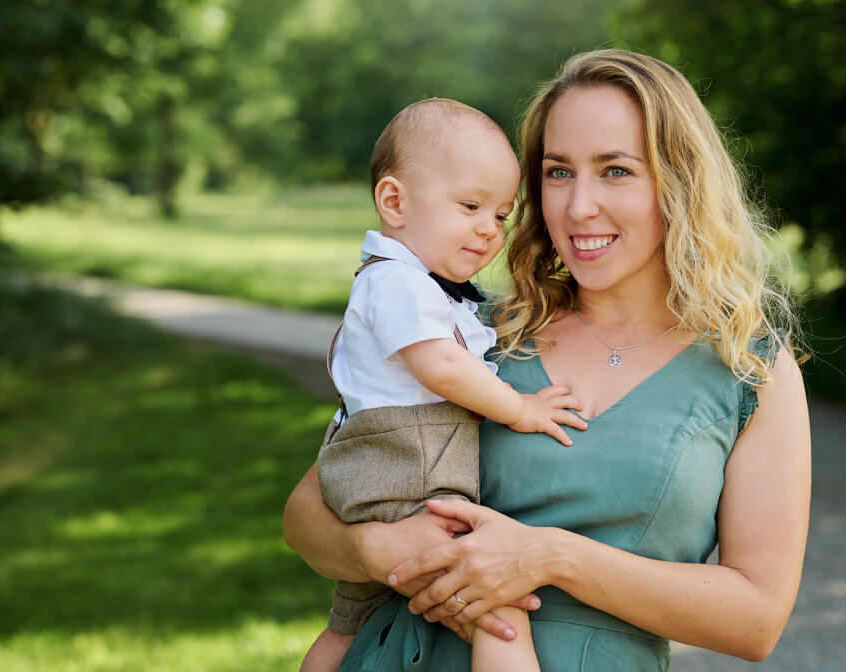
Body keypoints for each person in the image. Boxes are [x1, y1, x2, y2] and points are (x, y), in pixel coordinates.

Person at [284, 49, 811, 671]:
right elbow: (307, 513)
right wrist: (382, 552)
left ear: (680, 182)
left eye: (615, 171)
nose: (578, 206)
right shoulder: (473, 332)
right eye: (559, 172)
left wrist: (552, 557)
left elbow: (756, 621)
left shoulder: (749, 370)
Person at [300, 98, 588, 672]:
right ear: (394, 201)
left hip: (379, 479)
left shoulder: (412, 285)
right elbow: (444, 369)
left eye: (501, 215)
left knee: (348, 623)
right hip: (408, 475)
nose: (489, 229)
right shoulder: (399, 283)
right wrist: (521, 410)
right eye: (470, 206)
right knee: (499, 602)